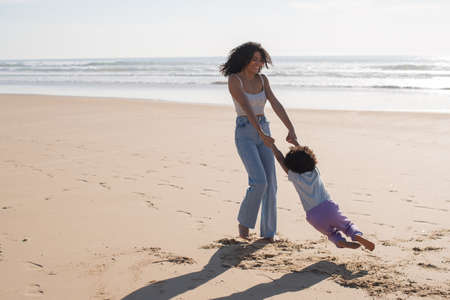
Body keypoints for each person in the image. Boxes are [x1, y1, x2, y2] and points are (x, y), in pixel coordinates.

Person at [220, 42, 298, 241]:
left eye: (260, 60)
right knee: (259, 181)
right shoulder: (234, 80)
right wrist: (260, 132)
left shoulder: (263, 80)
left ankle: (268, 233)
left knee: (271, 183)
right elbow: (246, 107)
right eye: (254, 59)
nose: (258, 63)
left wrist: (291, 128)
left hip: (264, 128)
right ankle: (244, 228)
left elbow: (276, 104)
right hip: (246, 132)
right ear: (244, 59)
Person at [270, 143, 375, 250]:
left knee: (331, 234)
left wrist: (272, 145)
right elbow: (306, 156)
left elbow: (280, 159)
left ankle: (340, 242)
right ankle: (356, 235)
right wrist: (294, 141)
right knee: (347, 226)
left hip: (313, 216)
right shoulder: (315, 172)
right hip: (329, 208)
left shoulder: (294, 176)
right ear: (311, 160)